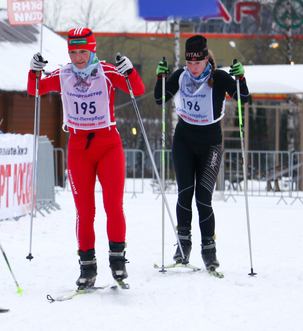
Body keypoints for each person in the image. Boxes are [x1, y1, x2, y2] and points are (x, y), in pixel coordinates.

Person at [27, 28, 145, 288]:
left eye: (83, 51)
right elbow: (35, 89)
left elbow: (137, 88)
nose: (78, 57)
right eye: (73, 52)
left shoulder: (106, 71)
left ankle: (117, 259)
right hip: (79, 147)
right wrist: (34, 71)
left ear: (92, 50)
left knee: (113, 205)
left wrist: (129, 70)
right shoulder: (63, 74)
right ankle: (87, 266)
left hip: (108, 144)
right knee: (84, 211)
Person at [154, 35, 249, 272]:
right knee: (184, 194)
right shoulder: (181, 76)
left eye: (197, 63)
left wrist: (241, 78)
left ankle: (209, 250)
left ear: (206, 59)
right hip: (183, 142)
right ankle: (183, 245)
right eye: (189, 63)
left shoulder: (219, 77)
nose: (193, 68)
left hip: (210, 145)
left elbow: (244, 98)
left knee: (203, 198)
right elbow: (159, 98)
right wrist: (161, 78)